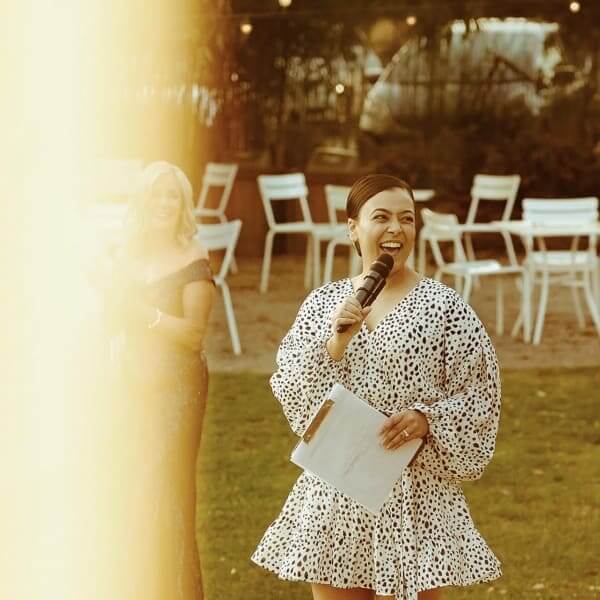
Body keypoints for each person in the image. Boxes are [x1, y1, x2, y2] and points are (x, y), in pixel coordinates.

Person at [251, 174, 502, 600]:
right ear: (353, 228)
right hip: (338, 492)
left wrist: (427, 419)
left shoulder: (446, 307)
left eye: (407, 218)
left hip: (416, 497)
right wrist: (336, 343)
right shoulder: (322, 304)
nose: (395, 229)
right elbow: (293, 390)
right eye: (381, 217)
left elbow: (481, 396)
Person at [97, 160, 214, 600]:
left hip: (175, 387)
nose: (165, 203)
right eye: (157, 195)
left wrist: (143, 313)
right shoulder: (127, 255)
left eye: (174, 196)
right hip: (130, 382)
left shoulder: (193, 254)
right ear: (142, 202)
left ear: (183, 205)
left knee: (164, 488)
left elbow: (194, 334)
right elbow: (111, 319)